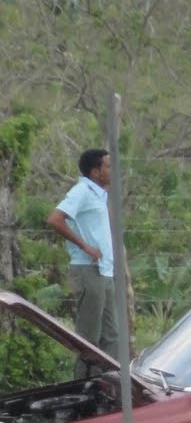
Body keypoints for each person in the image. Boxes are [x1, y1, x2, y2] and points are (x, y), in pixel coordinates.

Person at [46, 148, 122, 376]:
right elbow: (55, 219)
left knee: (112, 336)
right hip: (88, 269)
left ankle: (111, 386)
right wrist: (85, 246)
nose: (112, 170)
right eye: (108, 166)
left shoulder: (99, 194)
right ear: (95, 171)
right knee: (89, 338)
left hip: (104, 271)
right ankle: (83, 389)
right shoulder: (82, 192)